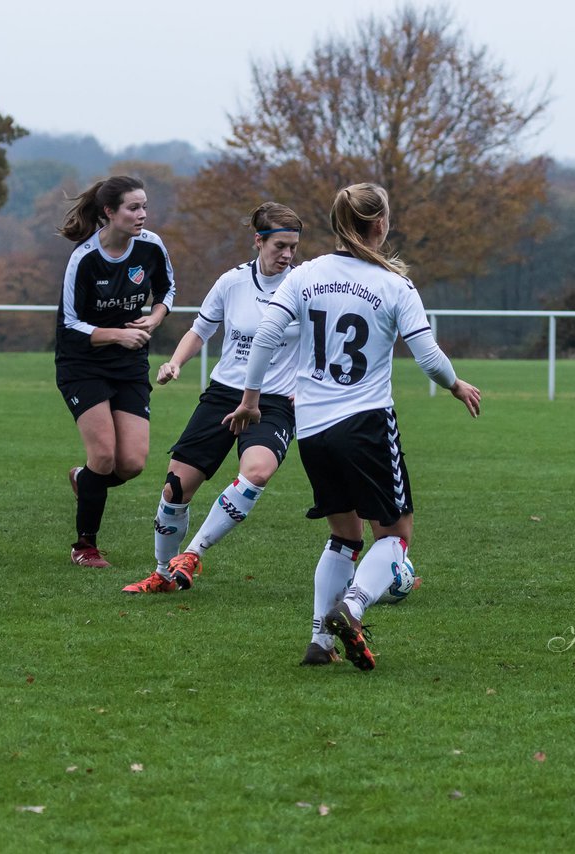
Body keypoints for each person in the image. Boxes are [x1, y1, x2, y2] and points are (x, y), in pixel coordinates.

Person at [224, 183, 481, 669]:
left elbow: (265, 336)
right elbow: (427, 356)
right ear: (380, 224)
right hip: (364, 423)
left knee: (344, 535)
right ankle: (354, 607)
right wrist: (455, 385)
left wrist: (251, 400)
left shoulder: (307, 275)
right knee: (395, 536)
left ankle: (320, 643)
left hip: (313, 428)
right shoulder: (394, 285)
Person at [124, 203, 303, 595]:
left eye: (293, 247)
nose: (288, 255)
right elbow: (200, 330)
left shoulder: (303, 286)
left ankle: (192, 553)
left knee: (257, 471)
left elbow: (323, 342)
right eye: (280, 246)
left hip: (272, 402)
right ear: (259, 241)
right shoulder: (232, 282)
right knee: (175, 487)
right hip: (224, 394)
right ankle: (162, 575)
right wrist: (175, 362)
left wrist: (308, 384)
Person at [55, 176, 175, 568]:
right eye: (133, 208)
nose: (142, 215)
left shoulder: (151, 246)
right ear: (109, 212)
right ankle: (84, 546)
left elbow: (167, 291)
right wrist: (116, 336)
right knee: (104, 457)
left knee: (132, 464)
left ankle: (84, 480)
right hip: (83, 364)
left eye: (144, 207)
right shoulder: (85, 258)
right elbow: (70, 324)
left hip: (128, 365)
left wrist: (154, 320)